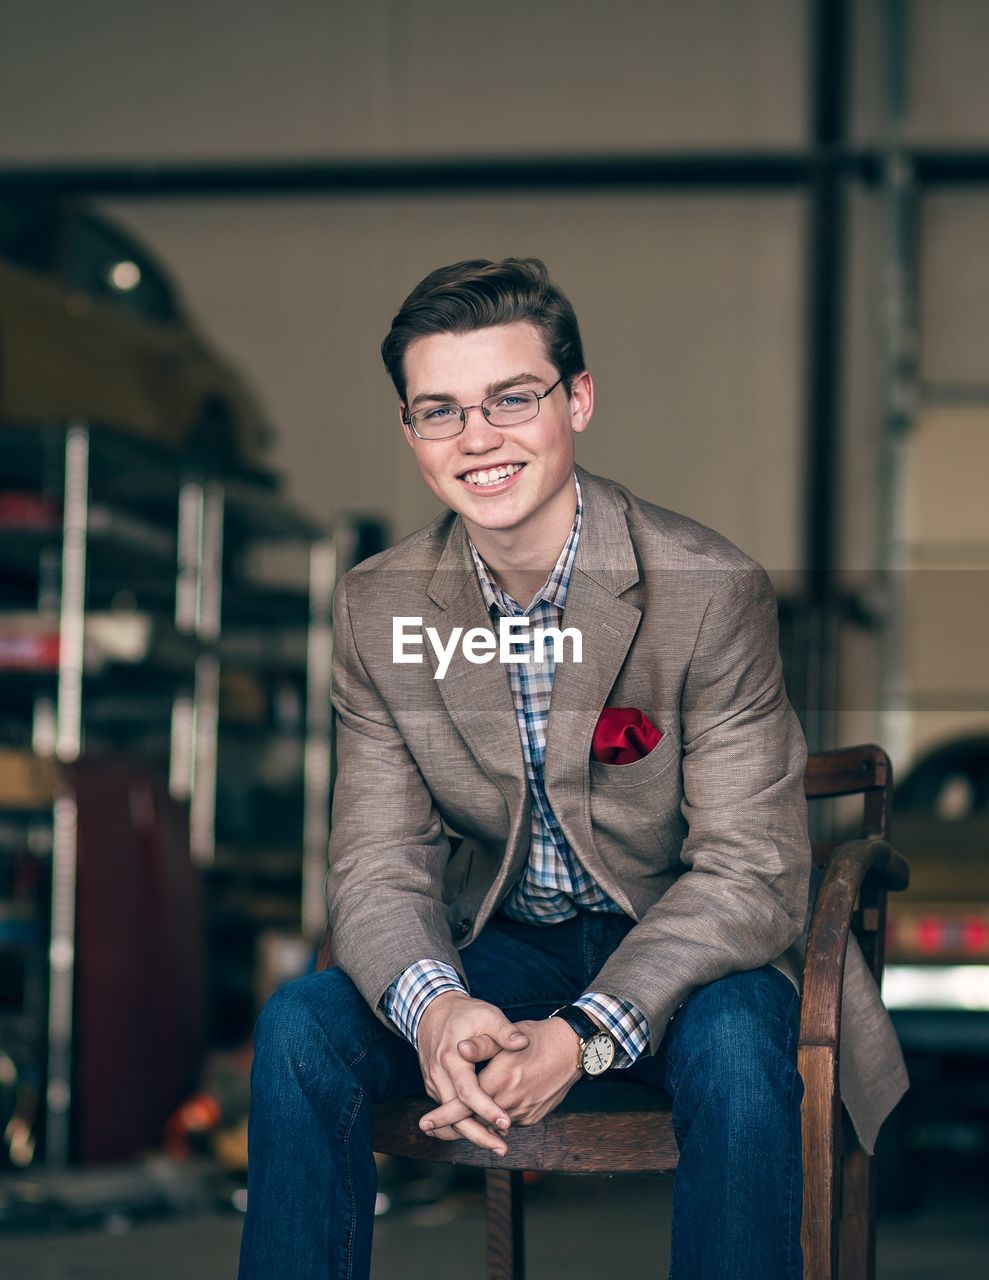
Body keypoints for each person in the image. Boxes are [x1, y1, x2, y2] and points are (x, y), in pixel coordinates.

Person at [238, 258, 908, 1280]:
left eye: (511, 398)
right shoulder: (379, 609)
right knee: (300, 1024)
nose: (477, 438)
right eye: (439, 411)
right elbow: (376, 862)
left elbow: (749, 871)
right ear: (410, 432)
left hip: (690, 948)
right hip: (498, 942)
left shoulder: (705, 588)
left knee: (738, 1049)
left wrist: (584, 1034)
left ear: (577, 399)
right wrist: (436, 1007)